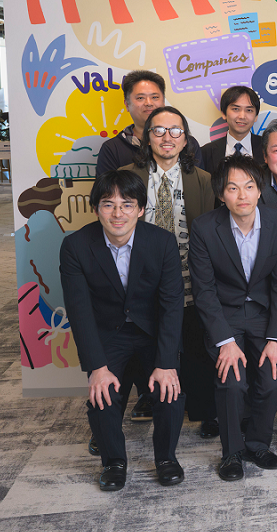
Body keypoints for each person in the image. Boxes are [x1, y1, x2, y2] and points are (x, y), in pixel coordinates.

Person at [59, 170, 185, 490]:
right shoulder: (75, 246)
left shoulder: (162, 243)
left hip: (151, 333)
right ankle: (113, 461)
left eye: (127, 204)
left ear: (140, 209)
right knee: (102, 394)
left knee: (170, 390)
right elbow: (79, 311)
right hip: (107, 333)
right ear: (96, 208)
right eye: (108, 204)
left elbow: (172, 306)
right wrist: (97, 367)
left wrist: (166, 362)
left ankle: (166, 458)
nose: (118, 213)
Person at [188, 155, 277, 480]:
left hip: (264, 315)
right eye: (233, 188)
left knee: (273, 380)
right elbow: (204, 291)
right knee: (232, 381)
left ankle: (257, 445)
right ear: (222, 194)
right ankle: (231, 452)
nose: (242, 195)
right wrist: (225, 341)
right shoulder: (204, 228)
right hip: (225, 315)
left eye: (249, 186)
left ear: (260, 190)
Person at [121, 107, 217, 439]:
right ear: (146, 137)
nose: (167, 137)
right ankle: (152, 399)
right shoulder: (127, 176)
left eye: (175, 130)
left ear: (185, 139)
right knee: (143, 347)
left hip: (188, 278)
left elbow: (209, 234)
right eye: (159, 130)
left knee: (195, 346)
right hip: (140, 281)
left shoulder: (203, 180)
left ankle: (204, 410)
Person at [96, 70, 202, 174]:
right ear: (127, 104)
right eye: (140, 98)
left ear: (163, 102)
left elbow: (198, 182)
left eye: (155, 97)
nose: (148, 103)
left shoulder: (186, 143)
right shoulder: (112, 149)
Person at [200, 86, 265, 175]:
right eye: (236, 109)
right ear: (224, 113)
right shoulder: (206, 153)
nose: (242, 116)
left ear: (256, 116)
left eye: (249, 110)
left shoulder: (267, 148)